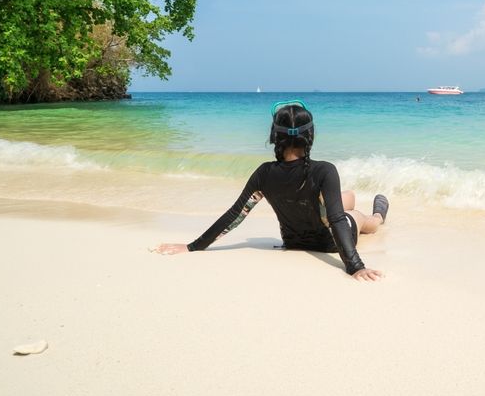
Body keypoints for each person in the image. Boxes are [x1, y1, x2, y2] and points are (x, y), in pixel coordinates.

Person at [153, 100, 387, 281]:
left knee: (347, 198)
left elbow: (235, 215)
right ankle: (378, 214)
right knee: (358, 216)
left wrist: (193, 246)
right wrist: (355, 267)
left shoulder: (264, 174)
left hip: (293, 241)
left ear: (275, 136)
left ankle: (353, 202)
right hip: (329, 244)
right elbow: (336, 219)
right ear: (310, 136)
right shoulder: (325, 170)